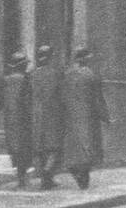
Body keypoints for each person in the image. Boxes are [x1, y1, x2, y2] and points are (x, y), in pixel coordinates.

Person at [62, 46, 110, 190]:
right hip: (88, 116)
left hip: (70, 116)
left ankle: (76, 172)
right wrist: (105, 116)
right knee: (88, 146)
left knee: (73, 146)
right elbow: (97, 99)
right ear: (86, 60)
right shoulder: (91, 75)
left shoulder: (67, 74)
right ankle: (83, 178)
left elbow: (62, 96)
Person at [0, 50, 33, 187]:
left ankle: (20, 177)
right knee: (25, 146)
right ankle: (23, 177)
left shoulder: (4, 80)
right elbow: (30, 100)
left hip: (10, 118)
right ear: (22, 66)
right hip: (24, 118)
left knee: (14, 146)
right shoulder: (27, 79)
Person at [31, 44, 63, 189]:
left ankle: (47, 178)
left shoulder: (32, 74)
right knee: (54, 147)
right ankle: (47, 172)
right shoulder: (56, 73)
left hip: (36, 114)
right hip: (53, 114)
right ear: (51, 57)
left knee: (41, 147)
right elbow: (62, 94)